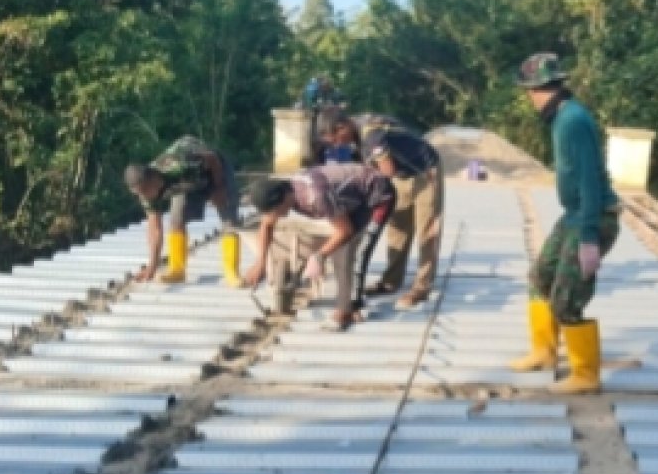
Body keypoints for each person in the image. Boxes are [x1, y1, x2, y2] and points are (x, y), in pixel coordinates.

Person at [509, 53, 621, 394]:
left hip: (592, 217)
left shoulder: (572, 121)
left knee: (567, 299)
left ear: (542, 89)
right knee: (540, 278)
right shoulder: (562, 117)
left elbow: (588, 180)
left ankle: (586, 375)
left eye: (530, 92)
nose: (529, 100)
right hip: (573, 215)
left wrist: (589, 238)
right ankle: (544, 353)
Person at [244, 162, 396, 330]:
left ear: (283, 198)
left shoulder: (315, 196)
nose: (277, 216)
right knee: (340, 249)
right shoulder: (287, 192)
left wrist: (318, 256)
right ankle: (350, 305)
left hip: (377, 195)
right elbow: (266, 225)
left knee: (351, 252)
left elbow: (345, 231)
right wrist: (260, 263)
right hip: (351, 196)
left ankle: (347, 311)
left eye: (276, 211)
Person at [125, 137, 242, 288]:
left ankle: (231, 272)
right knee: (176, 220)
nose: (143, 196)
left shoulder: (180, 165)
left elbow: (212, 159)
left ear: (153, 179)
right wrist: (152, 266)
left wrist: (218, 188)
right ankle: (177, 270)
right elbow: (155, 229)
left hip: (214, 169)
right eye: (139, 194)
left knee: (229, 219)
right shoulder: (145, 195)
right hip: (186, 183)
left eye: (145, 191)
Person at [358, 116, 445, 309]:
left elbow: (387, 169)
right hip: (401, 175)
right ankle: (391, 282)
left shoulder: (370, 135)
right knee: (397, 228)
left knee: (427, 230)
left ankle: (422, 286)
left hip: (425, 172)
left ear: (341, 129)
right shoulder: (355, 137)